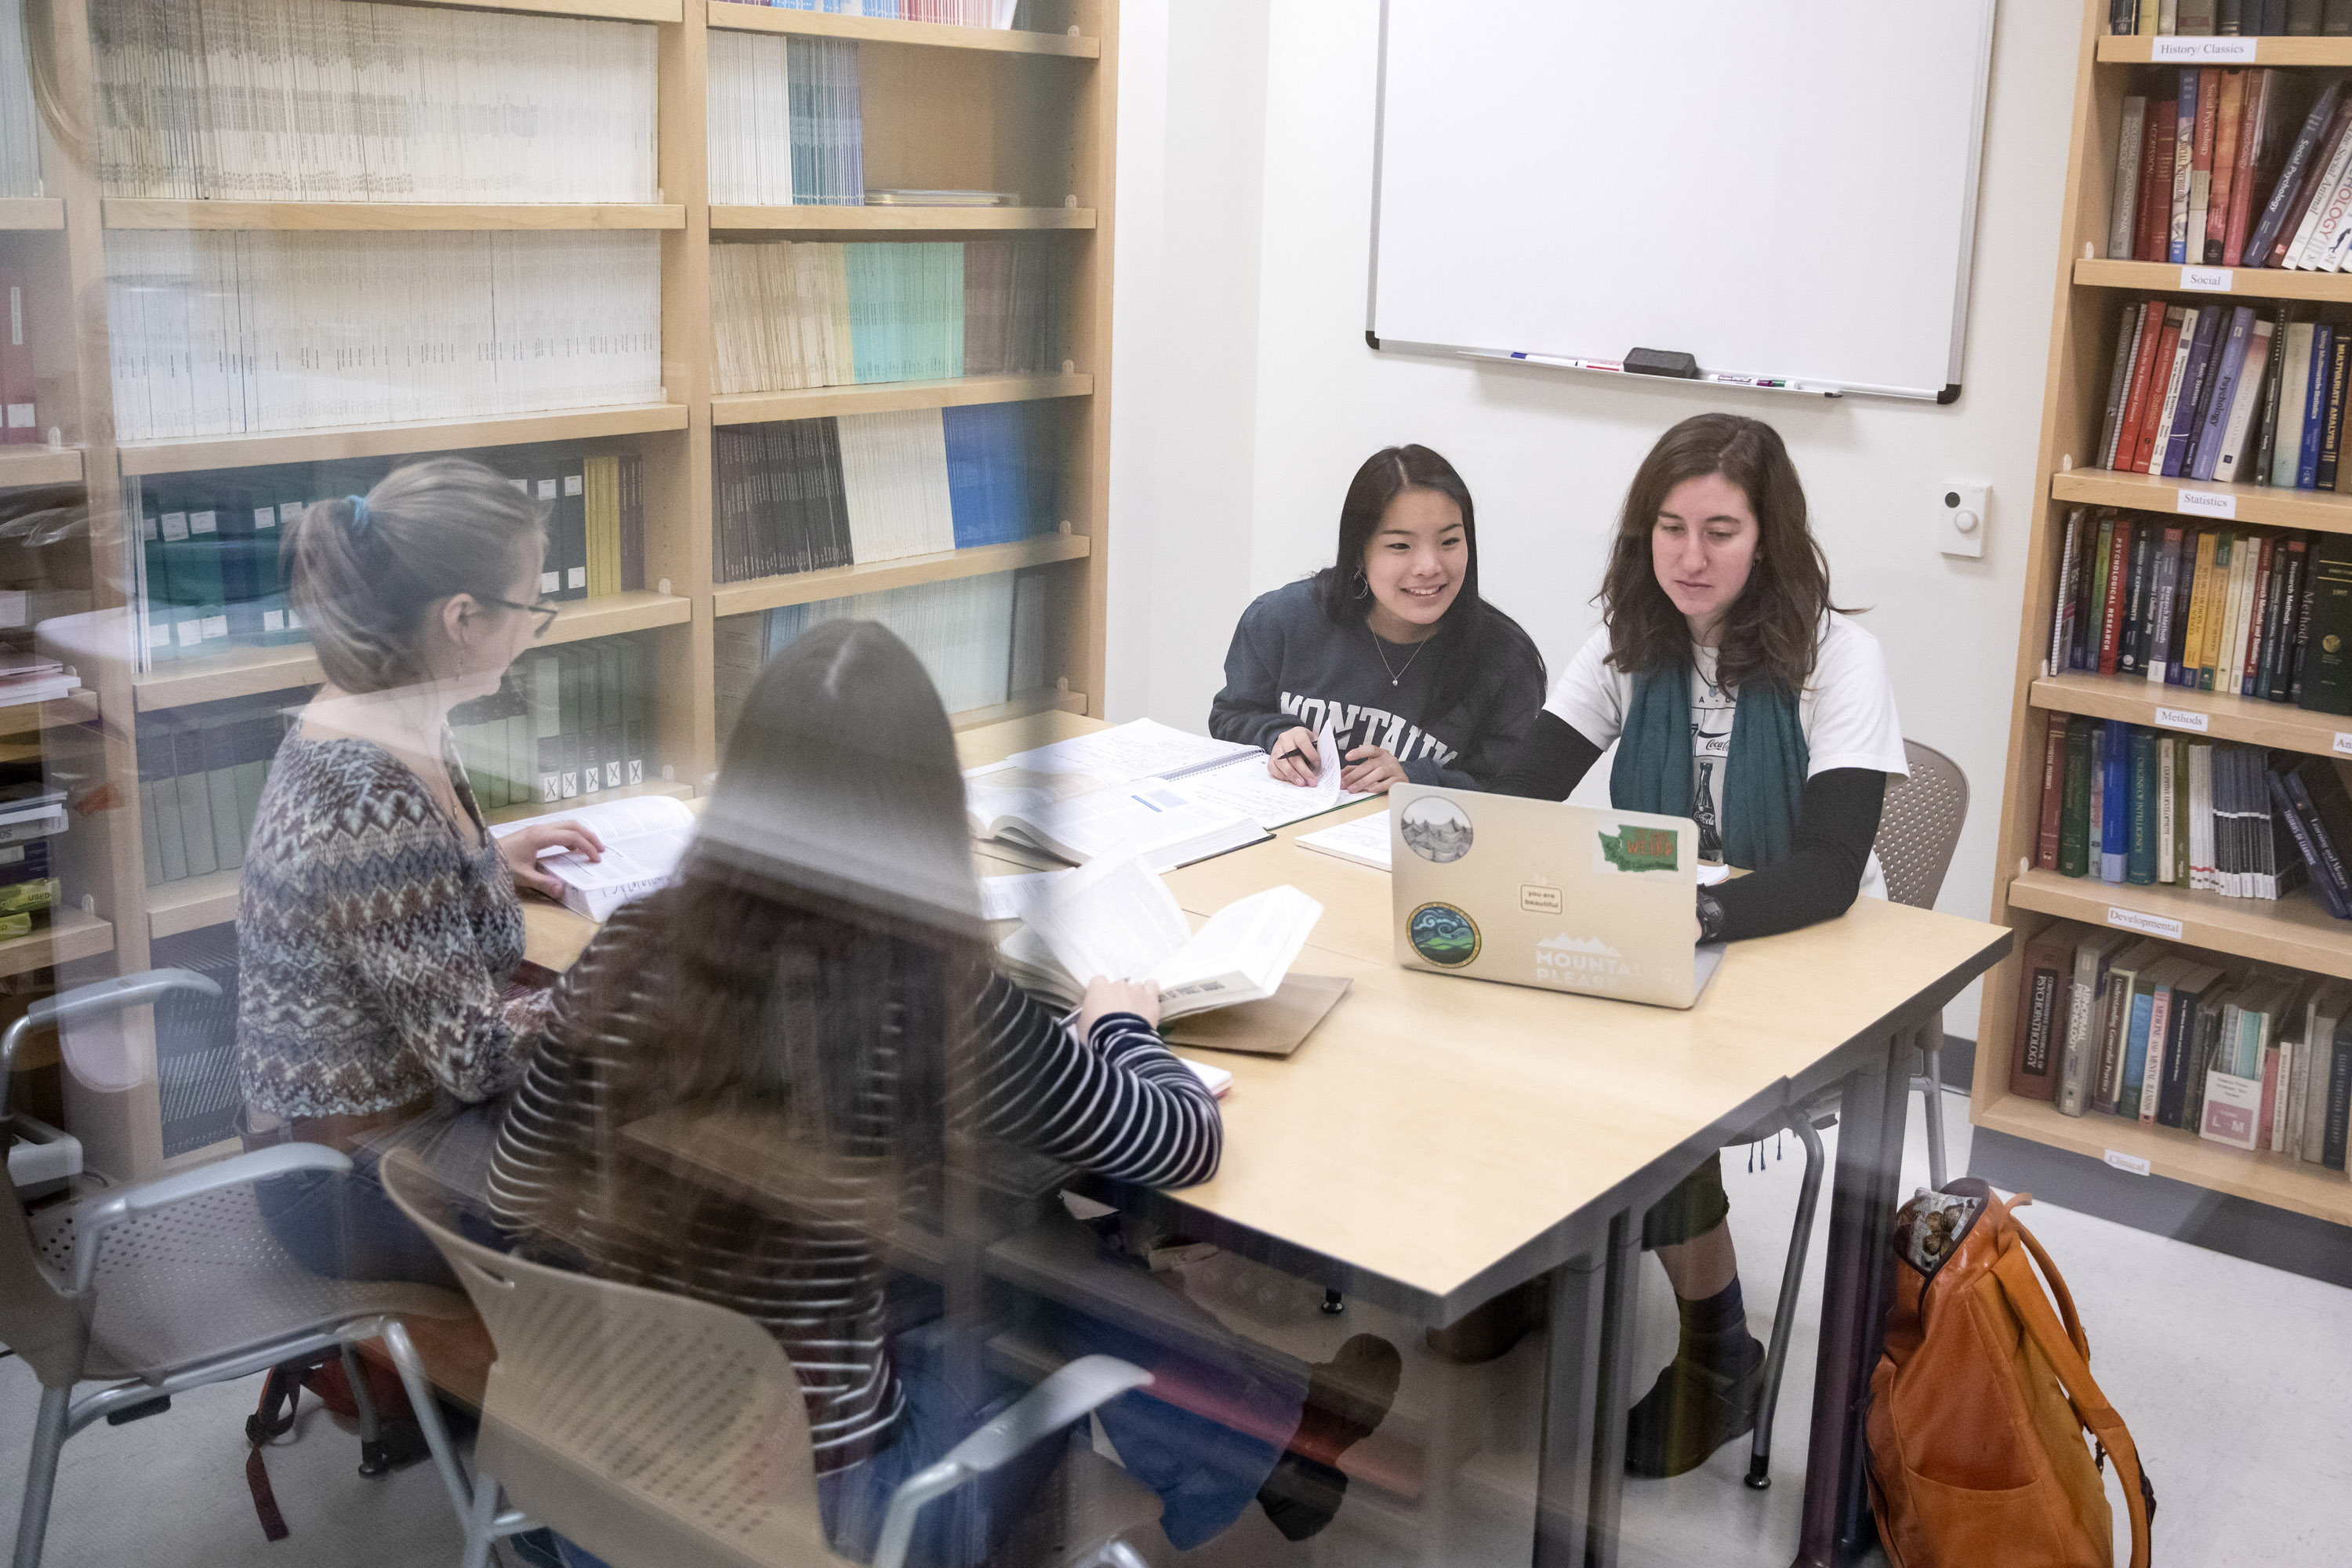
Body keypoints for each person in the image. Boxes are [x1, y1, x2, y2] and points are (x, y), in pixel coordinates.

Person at [486, 621, 1402, 1567]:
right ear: (928, 803)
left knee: (990, 1231)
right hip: (827, 1516)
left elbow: (513, 1189)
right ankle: (1276, 1443)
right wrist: (1122, 1021)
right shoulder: (924, 985)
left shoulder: (633, 941)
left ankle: (1283, 1437)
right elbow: (1179, 1140)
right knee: (1030, 1266)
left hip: (588, 1489)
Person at [1482, 412, 1907, 1478]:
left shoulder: (1839, 660)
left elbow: (1826, 870)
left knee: (1646, 1088)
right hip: (1670, 931)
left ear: (1770, 536)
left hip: (1807, 951)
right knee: (1502, 1022)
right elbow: (1525, 787)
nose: (1690, 556)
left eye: (1721, 529)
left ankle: (1720, 1351)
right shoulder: (1631, 642)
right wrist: (1424, 804)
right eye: (1669, 527)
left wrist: (1691, 916)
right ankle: (1530, 1266)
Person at [236, 456, 602, 1284]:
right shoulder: (373, 793)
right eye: (529, 607)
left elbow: (381, 899)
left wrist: (480, 860)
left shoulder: (389, 706)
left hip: (382, 1141)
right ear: (463, 616)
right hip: (351, 1188)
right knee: (648, 1189)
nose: (533, 626)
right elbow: (475, 1058)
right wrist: (617, 976)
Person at [1209, 444, 1544, 794]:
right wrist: (1276, 736)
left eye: (1449, 541)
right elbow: (1230, 716)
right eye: (1401, 546)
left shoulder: (1505, 659)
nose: (1430, 566)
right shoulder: (1281, 620)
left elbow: (1514, 792)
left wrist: (1419, 779)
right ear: (1357, 552)